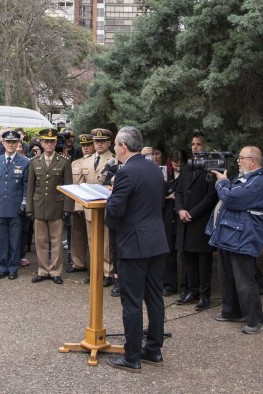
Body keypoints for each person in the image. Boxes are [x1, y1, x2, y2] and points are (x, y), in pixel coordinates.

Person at [105, 126, 167, 372]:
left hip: (134, 244)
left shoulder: (126, 172)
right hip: (156, 240)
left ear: (123, 147)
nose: (114, 149)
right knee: (154, 297)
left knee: (131, 301)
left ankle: (131, 356)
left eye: (115, 145)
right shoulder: (154, 169)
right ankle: (153, 349)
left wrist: (111, 198)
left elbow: (115, 211)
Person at [210, 146, 263, 334]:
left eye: (241, 158)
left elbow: (231, 198)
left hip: (244, 237)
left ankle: (255, 321)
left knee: (245, 280)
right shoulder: (245, 178)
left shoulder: (258, 182)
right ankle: (232, 311)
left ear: (252, 161)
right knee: (227, 276)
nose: (238, 161)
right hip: (230, 234)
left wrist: (222, 183)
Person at [175, 132, 217, 310]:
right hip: (184, 220)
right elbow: (179, 191)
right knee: (188, 258)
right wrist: (180, 210)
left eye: (198, 144)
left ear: (205, 146)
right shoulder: (187, 167)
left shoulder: (211, 168)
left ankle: (204, 295)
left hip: (200, 221)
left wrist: (191, 213)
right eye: (193, 144)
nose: (195, 147)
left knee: (203, 260)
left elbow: (211, 196)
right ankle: (192, 292)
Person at [26, 128, 70, 285]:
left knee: (56, 241)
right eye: (46, 141)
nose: (49, 144)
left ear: (55, 142)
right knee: (41, 241)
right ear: (41, 143)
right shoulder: (34, 162)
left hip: (57, 206)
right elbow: (30, 188)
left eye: (52, 141)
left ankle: (55, 271)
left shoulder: (64, 161)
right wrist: (29, 208)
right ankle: (43, 270)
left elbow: (68, 187)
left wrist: (67, 208)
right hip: (39, 206)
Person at [0, 130, 30, 280]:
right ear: (3, 143)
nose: (11, 144)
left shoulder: (24, 162)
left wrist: (24, 203)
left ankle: (13, 268)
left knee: (15, 239)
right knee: (1, 239)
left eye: (14, 142)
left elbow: (26, 185)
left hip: (16, 207)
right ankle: (2, 267)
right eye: (8, 142)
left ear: (18, 143)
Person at [74, 129, 116, 287]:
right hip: (89, 207)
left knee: (106, 241)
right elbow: (80, 185)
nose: (99, 144)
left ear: (108, 143)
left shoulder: (114, 160)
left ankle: (108, 273)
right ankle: (95, 271)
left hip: (106, 207)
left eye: (102, 141)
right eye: (97, 141)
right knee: (92, 240)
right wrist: (79, 205)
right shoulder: (87, 161)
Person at [65, 133, 94, 274]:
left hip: (91, 204)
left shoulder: (96, 162)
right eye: (83, 145)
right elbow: (72, 185)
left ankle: (94, 265)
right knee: (77, 235)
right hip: (77, 204)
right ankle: (78, 263)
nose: (85, 148)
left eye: (88, 145)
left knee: (93, 237)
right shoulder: (75, 163)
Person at [162, 150, 185, 296]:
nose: (178, 167)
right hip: (168, 214)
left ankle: (185, 286)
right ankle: (169, 284)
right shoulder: (165, 173)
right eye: (176, 164)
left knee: (184, 253)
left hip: (181, 215)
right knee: (168, 252)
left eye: (181, 164)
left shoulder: (186, 173)